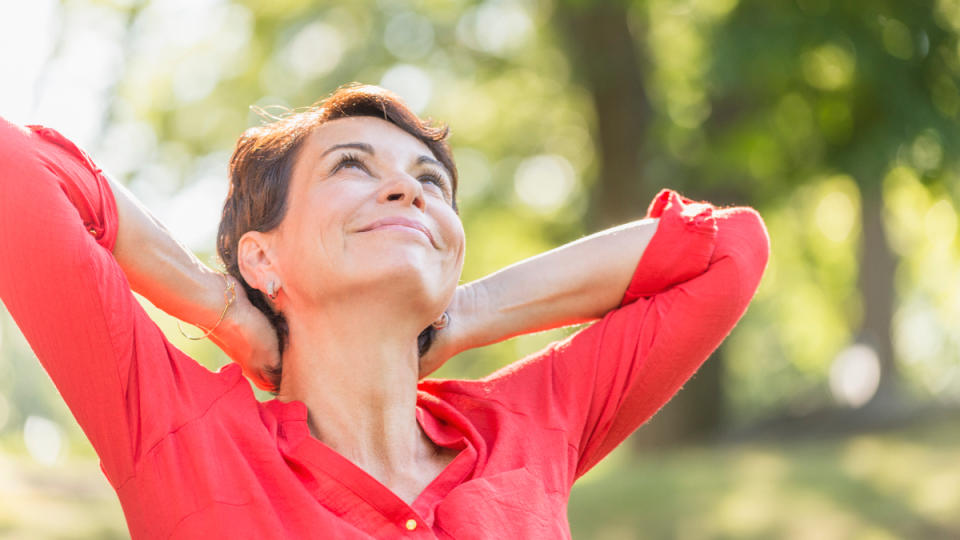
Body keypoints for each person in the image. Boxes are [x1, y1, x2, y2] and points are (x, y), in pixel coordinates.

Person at [0, 84, 769, 539]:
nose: (408, 190)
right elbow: (16, 165)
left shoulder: (527, 429)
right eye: (351, 166)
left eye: (430, 182)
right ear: (265, 257)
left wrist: (459, 316)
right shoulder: (180, 434)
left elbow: (728, 252)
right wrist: (222, 308)